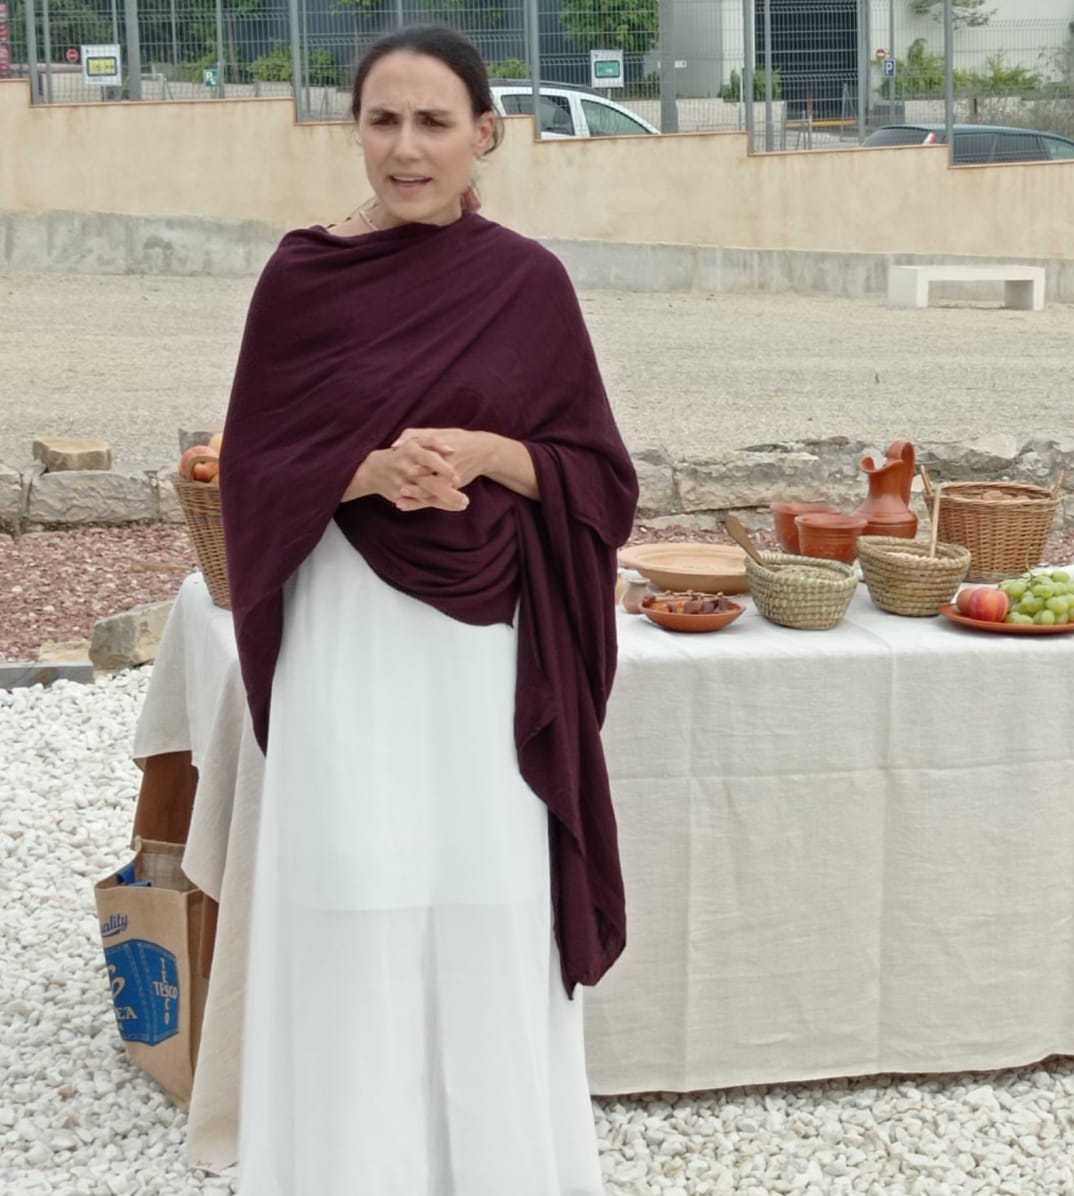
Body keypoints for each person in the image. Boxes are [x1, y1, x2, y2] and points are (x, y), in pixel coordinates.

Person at [218, 24, 638, 1195]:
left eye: (433, 123)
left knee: (488, 898)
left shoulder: (525, 282)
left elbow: (600, 476)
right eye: (383, 121)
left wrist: (499, 453)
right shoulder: (301, 278)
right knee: (352, 887)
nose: (405, 150)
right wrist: (363, 472)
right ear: (355, 130)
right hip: (346, 633)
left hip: (482, 659)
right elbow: (252, 466)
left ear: (485, 134)